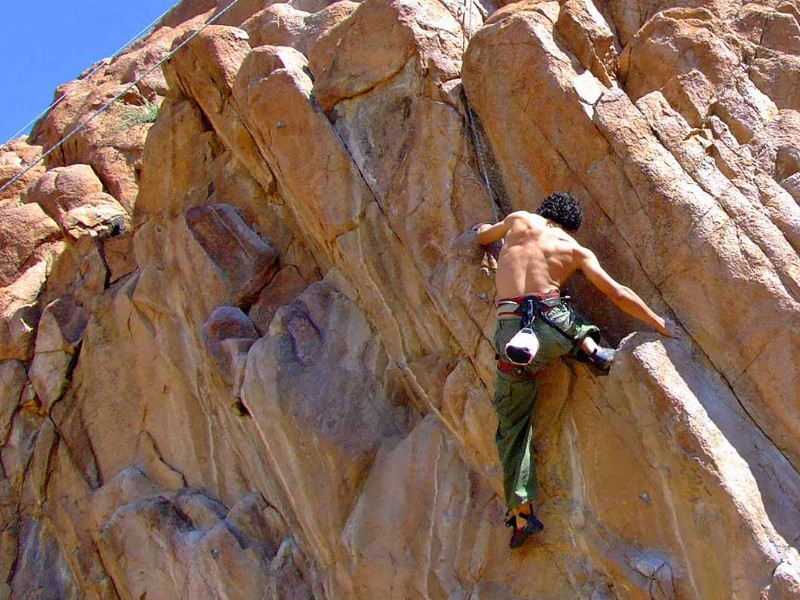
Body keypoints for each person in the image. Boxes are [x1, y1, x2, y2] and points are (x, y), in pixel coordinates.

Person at [475, 192, 673, 549]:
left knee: (513, 427)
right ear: (570, 226)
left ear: (544, 212)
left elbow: (484, 236)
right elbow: (617, 292)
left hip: (512, 334)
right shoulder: (575, 249)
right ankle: (591, 348)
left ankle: (522, 514)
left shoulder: (519, 220)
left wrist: (482, 230)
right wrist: (658, 323)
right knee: (563, 312)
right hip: (554, 327)